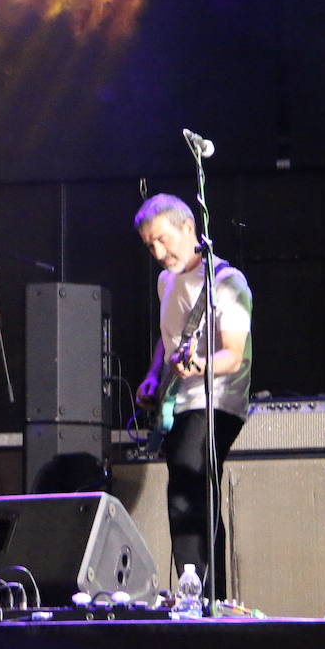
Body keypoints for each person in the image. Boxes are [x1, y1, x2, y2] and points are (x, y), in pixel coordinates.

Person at [134, 194, 252, 599]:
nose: (158, 252)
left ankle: (194, 585)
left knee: (188, 473)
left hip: (220, 398)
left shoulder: (226, 281)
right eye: (150, 245)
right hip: (182, 400)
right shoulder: (165, 281)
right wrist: (155, 377)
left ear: (189, 228)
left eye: (164, 240)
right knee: (194, 485)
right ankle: (207, 592)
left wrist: (199, 364)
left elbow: (232, 356)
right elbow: (170, 340)